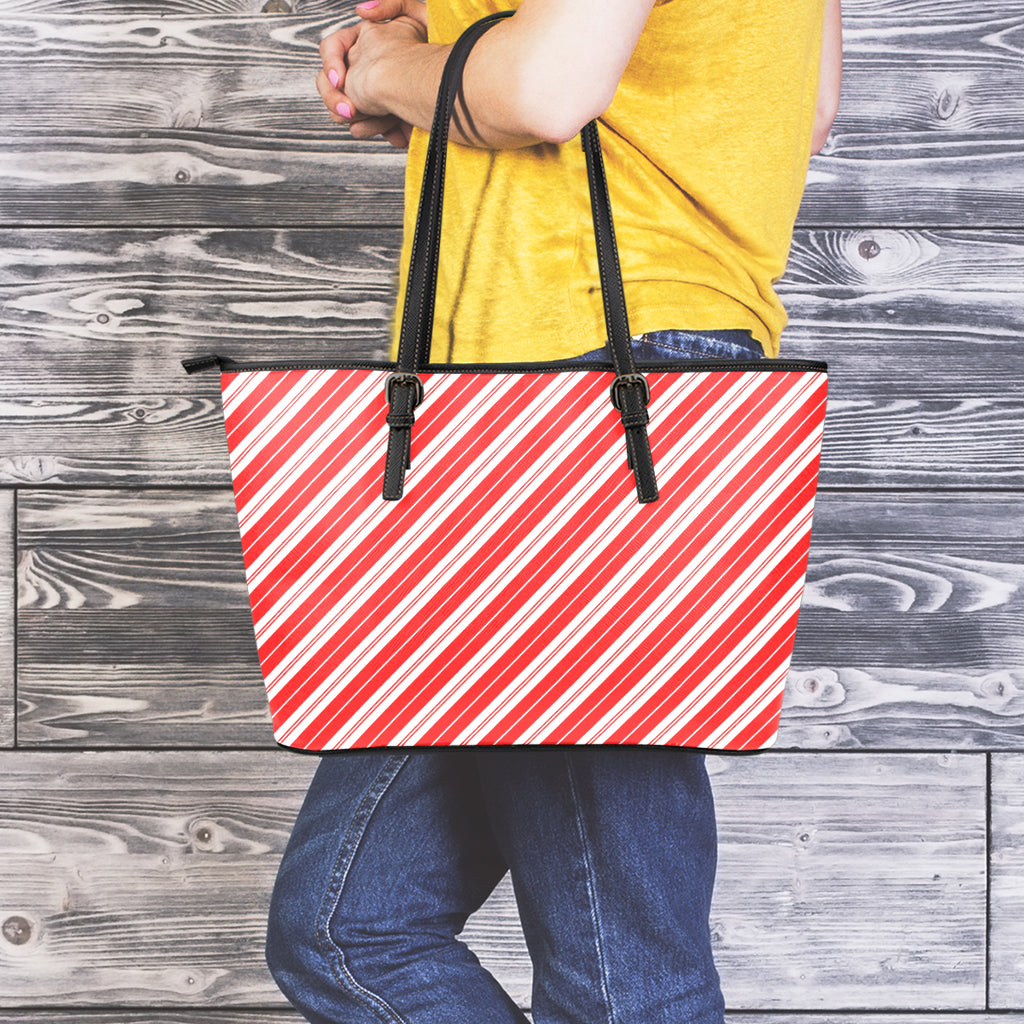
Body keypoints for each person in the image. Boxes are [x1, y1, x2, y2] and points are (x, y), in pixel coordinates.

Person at [265, 2, 842, 1023]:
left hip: (582, 392)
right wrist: (438, 72)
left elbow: (542, 90)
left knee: (623, 981)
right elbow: (797, 106)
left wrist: (391, 68)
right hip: (534, 405)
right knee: (346, 928)